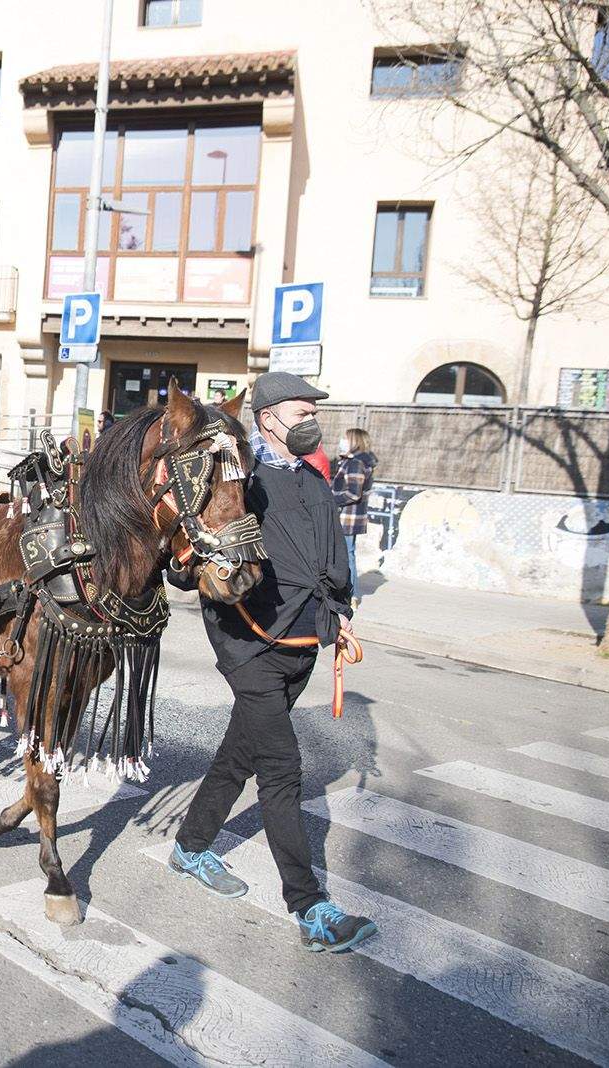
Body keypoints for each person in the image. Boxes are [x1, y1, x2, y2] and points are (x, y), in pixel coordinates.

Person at [165, 371, 377, 954]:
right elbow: (192, 545)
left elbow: (333, 560)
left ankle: (190, 845)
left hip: (303, 645)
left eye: (315, 411)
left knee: (241, 756)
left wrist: (342, 610)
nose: (311, 419)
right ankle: (310, 908)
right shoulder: (242, 478)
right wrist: (188, 564)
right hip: (248, 644)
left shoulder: (315, 481)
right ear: (267, 420)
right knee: (282, 770)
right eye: (300, 410)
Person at [332, 428, 377, 608]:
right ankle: (350, 595)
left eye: (345, 438)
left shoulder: (355, 463)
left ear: (354, 441)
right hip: (348, 516)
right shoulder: (351, 461)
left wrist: (331, 498)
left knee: (347, 555)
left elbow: (353, 494)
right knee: (347, 554)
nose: (342, 441)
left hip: (347, 517)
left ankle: (351, 595)